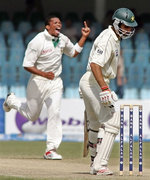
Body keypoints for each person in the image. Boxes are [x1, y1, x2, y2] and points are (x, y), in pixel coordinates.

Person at [3, 14, 90, 160]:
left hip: (55, 82)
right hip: (37, 81)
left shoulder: (62, 38)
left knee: (54, 112)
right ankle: (11, 101)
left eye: (60, 23)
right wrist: (44, 74)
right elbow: (27, 65)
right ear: (47, 26)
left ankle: (51, 149)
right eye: (55, 23)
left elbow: (73, 52)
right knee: (33, 115)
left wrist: (84, 37)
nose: (59, 25)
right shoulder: (37, 41)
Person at [79, 8, 137, 175]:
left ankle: (93, 162)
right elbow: (95, 65)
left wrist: (103, 86)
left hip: (93, 81)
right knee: (113, 119)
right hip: (94, 81)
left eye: (130, 27)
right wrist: (104, 88)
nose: (129, 30)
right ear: (117, 23)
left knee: (95, 123)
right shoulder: (107, 38)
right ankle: (100, 165)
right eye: (126, 26)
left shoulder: (115, 39)